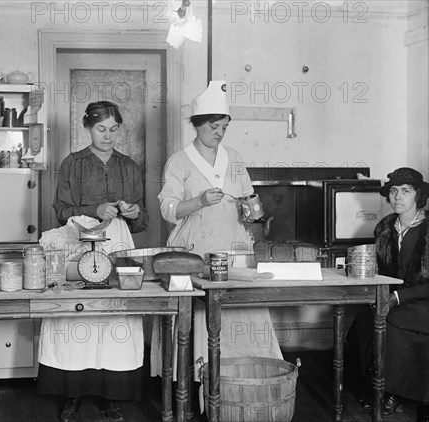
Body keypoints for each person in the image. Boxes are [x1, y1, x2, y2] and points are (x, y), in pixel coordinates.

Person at [156, 81, 282, 379]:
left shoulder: (234, 158)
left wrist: (254, 212)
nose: (219, 133)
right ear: (197, 125)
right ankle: (201, 385)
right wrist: (197, 201)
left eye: (224, 127)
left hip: (234, 246)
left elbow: (249, 199)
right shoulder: (179, 162)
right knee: (201, 317)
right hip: (196, 250)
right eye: (214, 126)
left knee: (242, 313)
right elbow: (167, 209)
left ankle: (247, 381)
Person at [38, 100, 149, 422]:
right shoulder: (72, 163)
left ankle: (111, 396)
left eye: (114, 129)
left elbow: (141, 222)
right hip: (79, 242)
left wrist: (135, 212)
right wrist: (93, 210)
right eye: (101, 129)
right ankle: (71, 393)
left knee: (115, 318)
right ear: (88, 128)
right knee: (76, 317)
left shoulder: (128, 166)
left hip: (118, 244)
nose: (108, 135)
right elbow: (60, 211)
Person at [347, 167, 429, 420]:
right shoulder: (384, 228)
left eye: (406, 191)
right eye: (393, 191)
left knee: (392, 320)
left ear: (418, 196)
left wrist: (396, 299)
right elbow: (380, 271)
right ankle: (375, 387)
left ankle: (392, 392)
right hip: (393, 297)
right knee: (363, 319)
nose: (398, 197)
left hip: (423, 301)